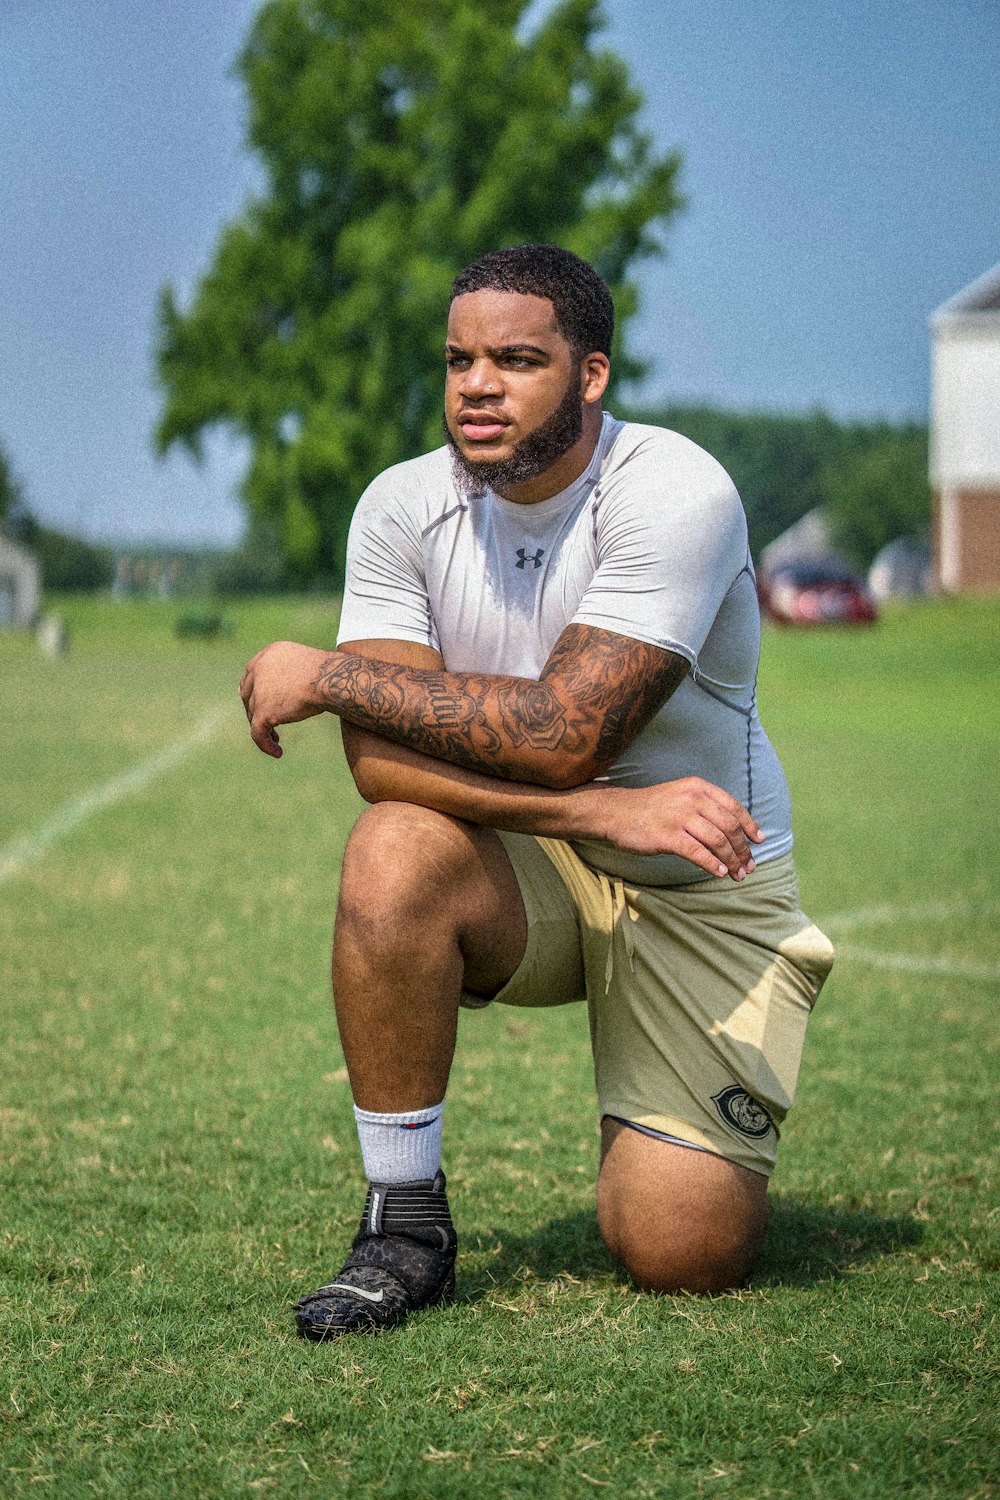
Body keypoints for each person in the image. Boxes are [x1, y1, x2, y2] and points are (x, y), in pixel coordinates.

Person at [239, 244, 834, 1340]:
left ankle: (694, 1151)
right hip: (539, 870)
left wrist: (325, 673)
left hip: (700, 877)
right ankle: (403, 1224)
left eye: (516, 359)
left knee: (680, 1252)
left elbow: (565, 733)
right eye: (460, 359)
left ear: (591, 375)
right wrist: (597, 813)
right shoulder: (398, 508)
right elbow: (382, 767)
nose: (477, 384)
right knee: (394, 846)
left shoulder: (672, 489)